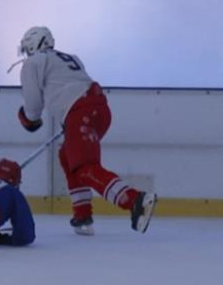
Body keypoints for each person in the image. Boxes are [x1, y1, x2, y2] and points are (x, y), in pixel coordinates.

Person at [15, 26, 157, 235]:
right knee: (67, 155)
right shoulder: (70, 58)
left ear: (33, 44)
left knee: (85, 167)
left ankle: (135, 200)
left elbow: (33, 106)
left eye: (27, 48)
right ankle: (82, 216)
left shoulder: (34, 62)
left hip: (80, 112)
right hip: (99, 109)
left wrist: (28, 119)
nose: (26, 52)